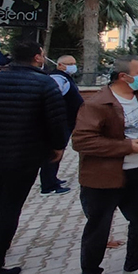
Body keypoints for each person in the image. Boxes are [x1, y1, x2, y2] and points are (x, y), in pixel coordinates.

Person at [0, 40, 69, 274]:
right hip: (23, 158)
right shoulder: (44, 84)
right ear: (38, 57)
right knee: (9, 207)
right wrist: (58, 148)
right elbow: (56, 122)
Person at [72, 56, 138, 274]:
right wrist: (126, 147)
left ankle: (134, 267)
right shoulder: (98, 104)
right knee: (98, 227)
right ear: (124, 76)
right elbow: (82, 141)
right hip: (103, 178)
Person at [39, 54, 84, 195]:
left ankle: (52, 178)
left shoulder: (65, 78)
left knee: (58, 151)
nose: (73, 66)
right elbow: (53, 99)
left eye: (74, 62)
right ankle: (48, 185)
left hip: (66, 121)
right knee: (54, 151)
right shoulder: (58, 78)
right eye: (69, 63)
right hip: (61, 121)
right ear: (60, 65)